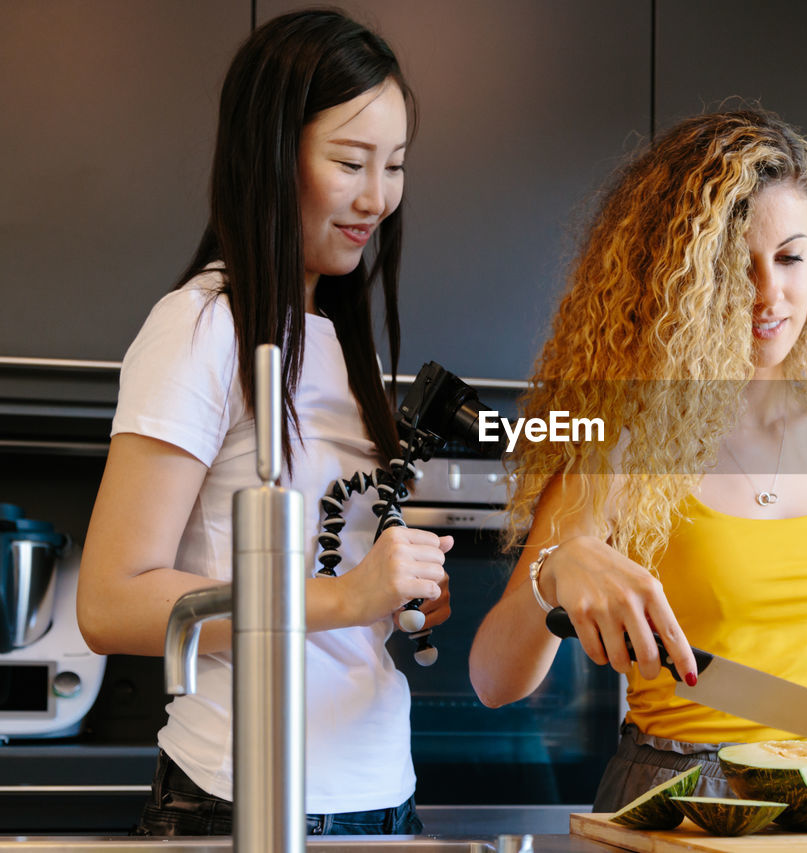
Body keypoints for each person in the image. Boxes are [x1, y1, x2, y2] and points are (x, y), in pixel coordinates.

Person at [468, 109, 807, 811]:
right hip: (677, 803)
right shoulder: (625, 439)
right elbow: (491, 678)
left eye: (789, 257)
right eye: (734, 264)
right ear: (681, 276)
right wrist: (553, 576)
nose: (768, 293)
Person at [77, 9, 452, 836]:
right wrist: (347, 595)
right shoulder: (202, 327)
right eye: (350, 162)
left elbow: (341, 586)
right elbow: (110, 601)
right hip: (241, 795)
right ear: (272, 156)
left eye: (393, 166)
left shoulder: (339, 342)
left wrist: (392, 596)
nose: (377, 197)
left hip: (381, 791)